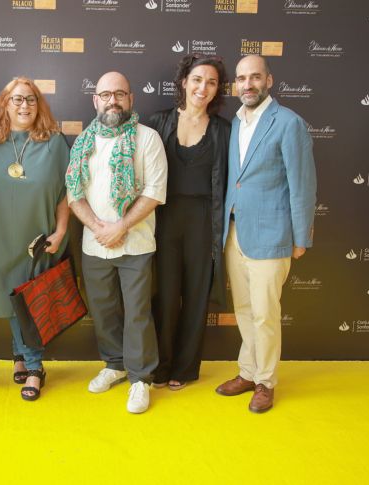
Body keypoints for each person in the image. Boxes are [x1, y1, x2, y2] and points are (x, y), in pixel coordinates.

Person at [216, 54, 316, 413]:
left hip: (272, 234)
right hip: (235, 233)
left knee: (264, 314)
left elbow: (302, 185)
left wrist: (301, 238)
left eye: (255, 77)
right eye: (242, 78)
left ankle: (266, 382)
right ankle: (248, 372)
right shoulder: (235, 123)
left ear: (269, 81)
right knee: (244, 309)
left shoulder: (289, 123)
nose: (248, 84)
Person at [66, 71, 167, 414]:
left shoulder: (148, 138)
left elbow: (154, 191)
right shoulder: (83, 142)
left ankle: (140, 378)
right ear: (95, 100)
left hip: (136, 243)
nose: (113, 101)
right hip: (95, 243)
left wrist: (121, 226)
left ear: (130, 99)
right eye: (106, 95)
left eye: (120, 94)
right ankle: (115, 364)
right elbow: (74, 193)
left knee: (137, 313)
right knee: (104, 310)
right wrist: (99, 227)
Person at [0, 77, 70, 401]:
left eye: (31, 99)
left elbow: (66, 193)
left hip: (37, 238)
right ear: (5, 104)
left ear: (39, 104)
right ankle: (19, 355)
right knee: (9, 297)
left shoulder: (55, 142)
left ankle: (34, 367)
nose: (24, 105)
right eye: (17, 99)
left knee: (29, 300)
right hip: (0, 235)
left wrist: (61, 231)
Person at [147, 54, 230, 391]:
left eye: (211, 82)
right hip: (164, 219)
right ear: (184, 82)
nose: (202, 88)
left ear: (217, 89)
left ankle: (184, 368)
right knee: (165, 295)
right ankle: (160, 366)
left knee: (196, 297)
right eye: (197, 79)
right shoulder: (157, 122)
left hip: (204, 221)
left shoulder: (224, 130)